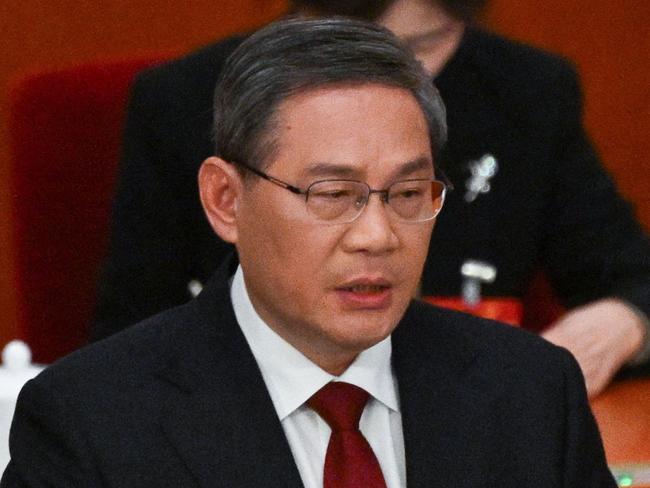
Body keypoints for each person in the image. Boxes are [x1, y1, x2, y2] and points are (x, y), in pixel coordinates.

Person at [2, 18, 616, 486]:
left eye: (407, 193)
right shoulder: (88, 425)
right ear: (224, 200)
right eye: (332, 194)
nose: (377, 235)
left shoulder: (534, 394)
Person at [92, 0, 650, 397]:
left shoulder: (528, 90)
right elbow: (128, 339)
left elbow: (629, 273)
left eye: (421, 50)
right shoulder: (186, 99)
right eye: (332, 193)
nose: (376, 233)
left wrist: (624, 321)